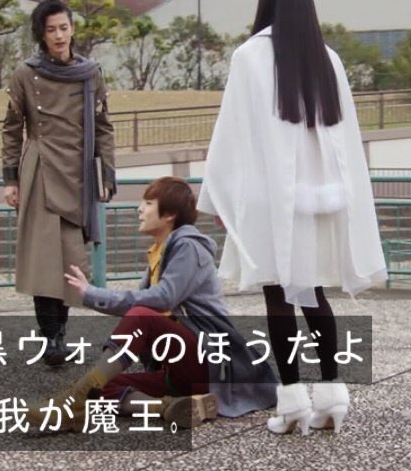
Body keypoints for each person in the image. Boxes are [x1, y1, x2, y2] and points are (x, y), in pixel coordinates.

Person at [197, 0, 388, 435]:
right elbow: (344, 137)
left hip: (270, 198)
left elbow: (233, 134)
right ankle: (331, 393)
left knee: (278, 298)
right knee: (314, 293)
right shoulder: (328, 58)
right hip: (321, 200)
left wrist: (223, 199)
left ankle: (292, 401)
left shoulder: (249, 56)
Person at [26, 176, 278, 430]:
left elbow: (162, 299)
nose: (139, 209)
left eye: (148, 203)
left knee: (141, 315)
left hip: (209, 364)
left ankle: (74, 399)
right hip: (177, 372)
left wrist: (93, 294)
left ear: (169, 214)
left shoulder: (190, 248)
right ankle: (168, 407)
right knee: (105, 386)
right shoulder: (160, 252)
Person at [1, 0, 117, 367]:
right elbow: (12, 128)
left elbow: (103, 127)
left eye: (63, 27)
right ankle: (50, 338)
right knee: (43, 258)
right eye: (51, 29)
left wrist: (106, 174)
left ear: (72, 29)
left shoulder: (90, 73)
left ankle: (61, 333)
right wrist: (11, 179)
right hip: (39, 170)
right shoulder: (25, 74)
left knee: (70, 258)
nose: (59, 35)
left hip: (78, 171)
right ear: (41, 34)